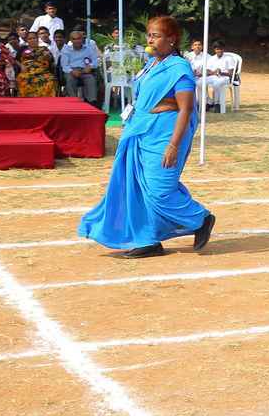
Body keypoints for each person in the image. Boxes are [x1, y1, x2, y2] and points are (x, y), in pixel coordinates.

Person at [79, 15, 215, 258]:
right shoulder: (150, 64)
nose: (150, 40)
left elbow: (185, 109)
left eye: (156, 36)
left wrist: (173, 145)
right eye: (149, 35)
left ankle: (200, 218)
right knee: (139, 187)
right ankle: (148, 239)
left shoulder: (179, 68)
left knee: (159, 189)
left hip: (165, 134)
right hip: (141, 131)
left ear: (172, 39)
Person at [60, 29, 99, 103]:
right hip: (71, 71)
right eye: (74, 39)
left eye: (78, 38)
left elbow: (95, 61)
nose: (76, 41)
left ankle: (91, 102)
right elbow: (64, 65)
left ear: (82, 39)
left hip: (85, 70)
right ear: (71, 40)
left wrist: (90, 66)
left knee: (91, 79)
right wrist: (72, 71)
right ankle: (73, 101)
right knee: (70, 80)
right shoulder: (66, 50)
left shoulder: (88, 49)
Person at [15, 30, 57, 97]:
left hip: (42, 71)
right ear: (27, 40)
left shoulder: (44, 48)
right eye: (30, 39)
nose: (32, 40)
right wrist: (21, 65)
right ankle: (26, 101)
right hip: (27, 71)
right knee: (23, 78)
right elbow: (16, 60)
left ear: (37, 39)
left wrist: (47, 57)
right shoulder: (23, 49)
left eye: (34, 38)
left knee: (50, 79)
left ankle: (46, 101)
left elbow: (51, 60)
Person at [204, 40, 240, 112]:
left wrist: (221, 72)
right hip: (213, 76)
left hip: (225, 78)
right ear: (214, 50)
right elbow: (207, 71)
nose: (219, 50)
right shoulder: (211, 58)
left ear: (223, 49)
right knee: (200, 82)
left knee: (217, 83)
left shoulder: (229, 58)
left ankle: (217, 104)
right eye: (217, 49)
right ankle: (207, 102)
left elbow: (231, 73)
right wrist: (214, 72)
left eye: (221, 49)